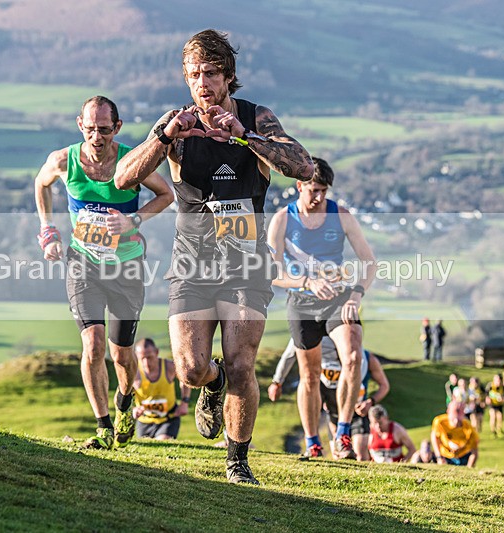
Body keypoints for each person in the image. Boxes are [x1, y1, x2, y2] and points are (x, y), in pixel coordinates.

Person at [114, 29, 314, 485]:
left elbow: (302, 166)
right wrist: (165, 137)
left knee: (243, 362)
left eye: (210, 73)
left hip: (247, 263)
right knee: (190, 369)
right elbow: (125, 178)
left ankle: (237, 461)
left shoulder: (255, 117)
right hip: (192, 264)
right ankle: (213, 382)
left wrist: (244, 138)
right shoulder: (176, 124)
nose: (201, 83)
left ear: (228, 77)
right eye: (193, 75)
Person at [35, 95, 174, 450]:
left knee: (121, 355)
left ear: (117, 127)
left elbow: (166, 194)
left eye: (105, 130)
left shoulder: (132, 160)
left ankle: (125, 404)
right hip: (83, 264)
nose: (97, 137)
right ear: (80, 125)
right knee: (93, 344)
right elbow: (41, 185)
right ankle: (102, 427)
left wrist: (134, 220)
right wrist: (48, 231)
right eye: (91, 129)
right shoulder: (63, 161)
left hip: (126, 267)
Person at [267, 156, 377, 460]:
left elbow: (369, 262)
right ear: (299, 185)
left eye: (323, 191)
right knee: (310, 375)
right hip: (302, 303)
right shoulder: (282, 220)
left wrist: (356, 294)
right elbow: (272, 273)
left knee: (353, 357)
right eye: (313, 190)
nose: (318, 197)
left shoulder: (341, 216)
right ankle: (312, 441)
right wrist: (306, 282)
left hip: (339, 299)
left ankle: (342, 433)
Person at [268, 338, 389, 461]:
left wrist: (370, 402)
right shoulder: (314, 345)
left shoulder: (365, 358)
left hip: (357, 412)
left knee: (360, 452)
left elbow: (384, 386)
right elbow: (290, 353)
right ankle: (314, 446)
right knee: (337, 454)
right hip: (334, 412)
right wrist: (277, 381)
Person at [132, 338, 191, 440]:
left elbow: (185, 379)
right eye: (142, 358)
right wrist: (133, 409)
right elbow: (121, 394)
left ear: (157, 352)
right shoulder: (133, 373)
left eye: (149, 357)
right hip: (144, 420)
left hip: (168, 418)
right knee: (147, 450)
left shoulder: (169, 367)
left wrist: (184, 403)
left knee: (163, 441)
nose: (146, 363)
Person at [430, 399, 479, 468]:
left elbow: (475, 450)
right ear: (448, 411)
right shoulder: (440, 422)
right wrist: (439, 457)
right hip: (445, 455)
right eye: (455, 411)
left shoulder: (469, 428)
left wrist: (469, 466)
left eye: (460, 412)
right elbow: (434, 437)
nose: (456, 418)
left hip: (462, 457)